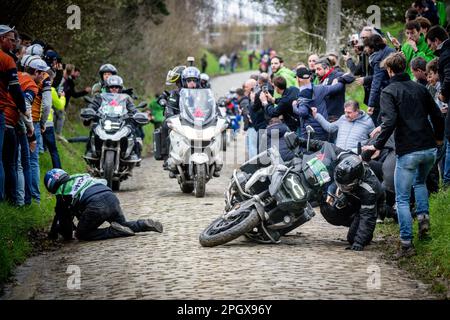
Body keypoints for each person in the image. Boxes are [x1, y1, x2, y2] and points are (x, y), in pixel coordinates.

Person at [363, 52, 445, 258]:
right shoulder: (420, 88)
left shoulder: (389, 91)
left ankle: (407, 244)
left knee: (401, 198)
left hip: (408, 151)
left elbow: (389, 122)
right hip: (428, 149)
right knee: (419, 183)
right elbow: (437, 114)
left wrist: (376, 146)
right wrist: (439, 138)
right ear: (405, 67)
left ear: (390, 70)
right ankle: (424, 220)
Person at [290, 135, 385, 251]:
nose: (341, 188)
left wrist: (360, 242)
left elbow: (367, 217)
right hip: (351, 194)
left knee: (353, 238)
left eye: (345, 186)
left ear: (357, 181)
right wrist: (302, 141)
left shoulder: (369, 191)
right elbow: (325, 145)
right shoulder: (344, 156)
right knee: (330, 202)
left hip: (367, 205)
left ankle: (359, 225)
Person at [44, 169, 163, 241]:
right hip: (111, 197)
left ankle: (114, 232)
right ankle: (144, 224)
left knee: (81, 234)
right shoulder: (79, 177)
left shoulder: (62, 193)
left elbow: (66, 230)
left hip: (96, 204)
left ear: (51, 186)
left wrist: (55, 233)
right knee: (123, 225)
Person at [0, 25, 28, 202]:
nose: (13, 43)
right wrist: (24, 110)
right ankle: (2, 200)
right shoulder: (7, 60)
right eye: (10, 39)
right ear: (1, 38)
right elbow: (16, 89)